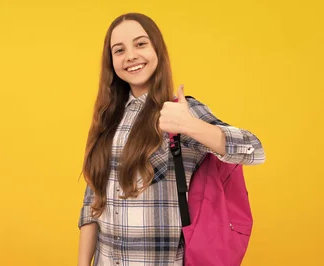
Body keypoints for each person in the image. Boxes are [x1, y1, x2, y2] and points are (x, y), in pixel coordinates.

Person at [77, 12, 266, 266]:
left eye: (140, 44)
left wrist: (191, 125)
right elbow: (93, 202)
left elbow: (255, 150)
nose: (130, 55)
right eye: (119, 50)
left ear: (157, 49)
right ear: (111, 61)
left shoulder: (180, 111)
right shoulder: (109, 119)